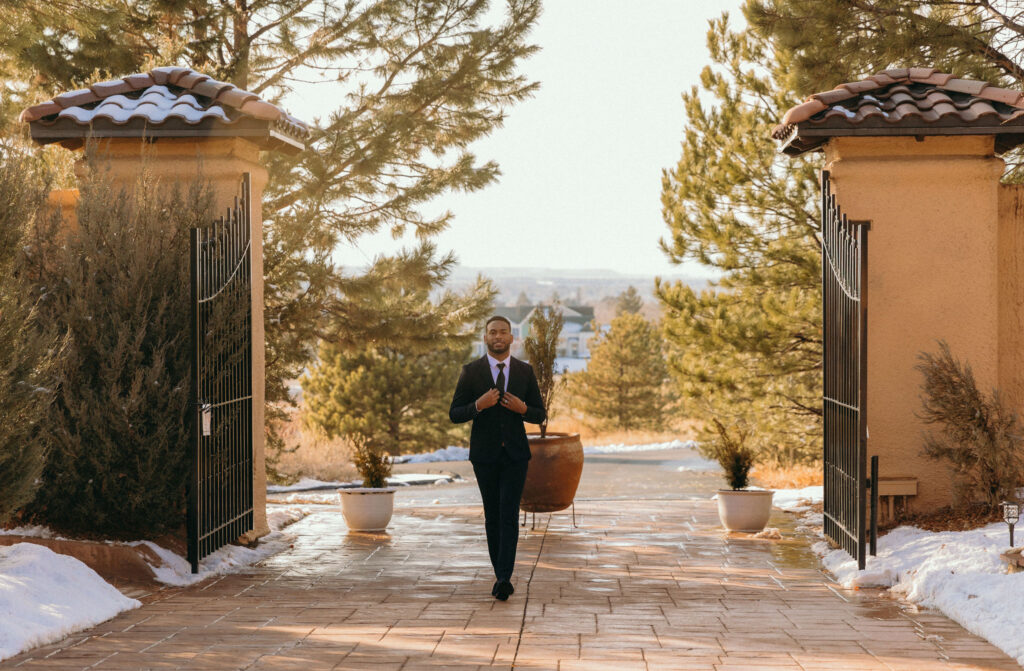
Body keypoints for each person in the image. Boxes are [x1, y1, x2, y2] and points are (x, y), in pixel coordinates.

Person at [449, 315, 546, 600]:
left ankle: (504, 577)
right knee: (493, 515)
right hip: (484, 456)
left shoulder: (524, 372)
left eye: (503, 331)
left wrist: (523, 408)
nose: (498, 336)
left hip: (516, 455)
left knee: (509, 515)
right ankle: (499, 573)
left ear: (511, 337)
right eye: (493, 332)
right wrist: (479, 405)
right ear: (485, 338)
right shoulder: (471, 371)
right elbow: (455, 414)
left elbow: (540, 414)